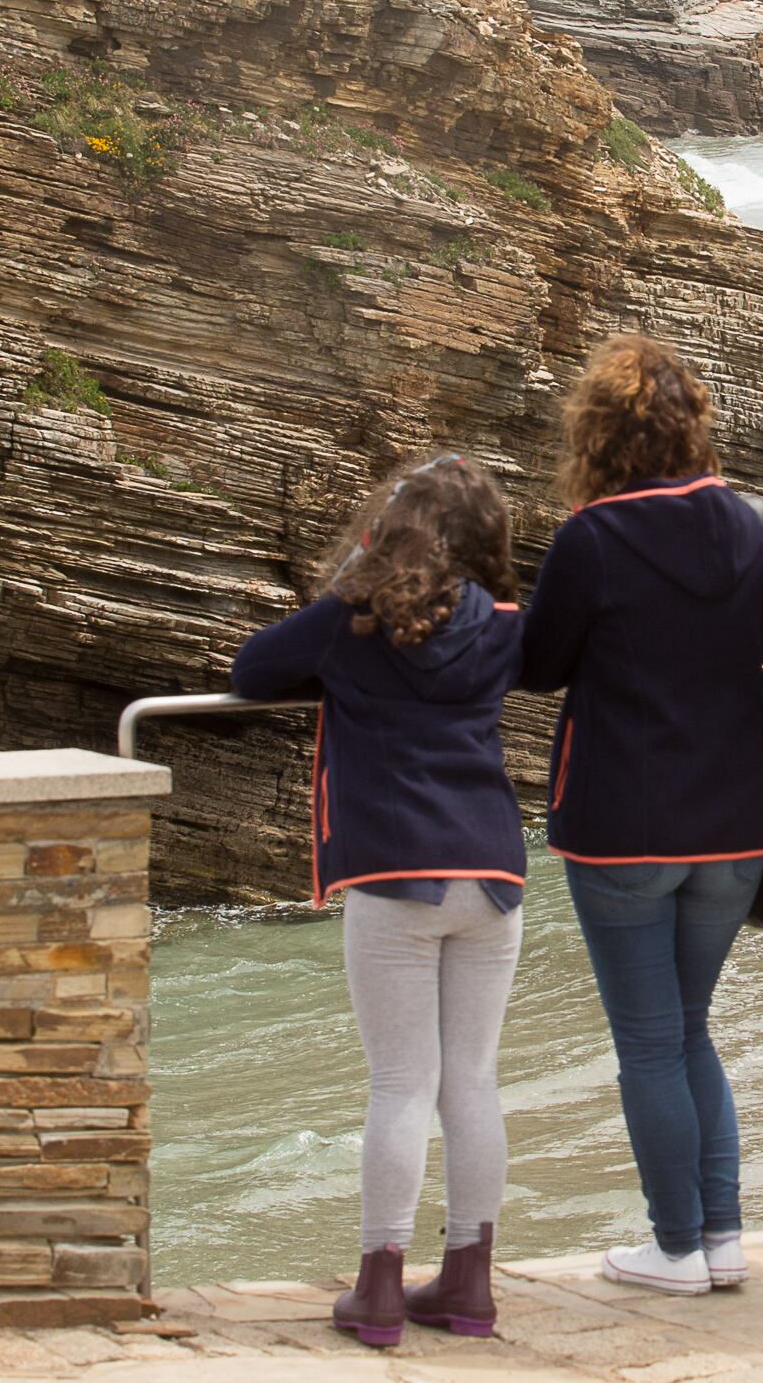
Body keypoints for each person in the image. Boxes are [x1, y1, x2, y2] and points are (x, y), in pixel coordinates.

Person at [231, 454, 527, 1347]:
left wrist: (352, 581)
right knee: (471, 1079)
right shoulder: (505, 624)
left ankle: (381, 1286)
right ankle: (469, 1282)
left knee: (402, 1081)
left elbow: (250, 670)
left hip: (397, 874)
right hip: (494, 874)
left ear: (384, 532)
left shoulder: (346, 625)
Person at [521, 333, 763, 1299]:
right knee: (690, 1031)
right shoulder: (752, 523)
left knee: (648, 1043)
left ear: (599, 431)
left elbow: (540, 665)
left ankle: (675, 1247)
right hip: (738, 821)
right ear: (692, 422)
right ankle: (721, 1237)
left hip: (624, 821)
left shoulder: (592, 537)